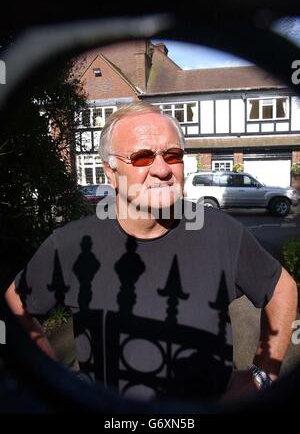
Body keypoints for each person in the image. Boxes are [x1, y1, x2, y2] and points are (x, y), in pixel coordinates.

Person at [4, 101, 298, 402]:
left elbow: (282, 288)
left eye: (173, 155)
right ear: (110, 171)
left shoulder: (221, 231)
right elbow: (16, 306)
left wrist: (263, 374)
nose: (162, 169)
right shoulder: (71, 244)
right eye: (142, 157)